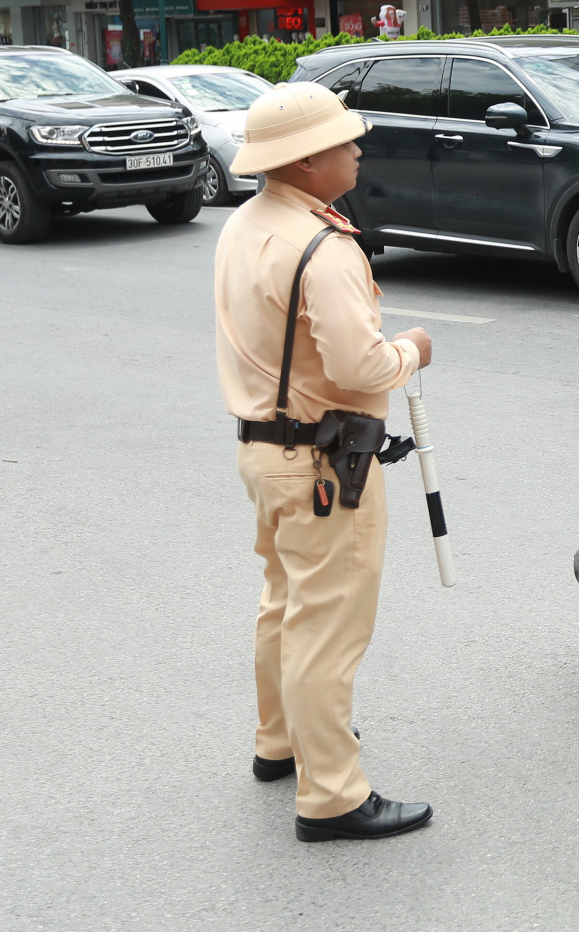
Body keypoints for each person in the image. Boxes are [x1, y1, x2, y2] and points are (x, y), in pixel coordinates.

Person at [215, 81, 437, 841]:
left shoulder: (247, 224)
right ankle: (333, 794)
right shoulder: (324, 245)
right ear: (307, 160)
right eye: (345, 139)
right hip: (321, 463)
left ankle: (280, 742)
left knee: (285, 601)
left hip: (265, 452)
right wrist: (412, 349)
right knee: (326, 624)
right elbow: (358, 367)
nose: (357, 147)